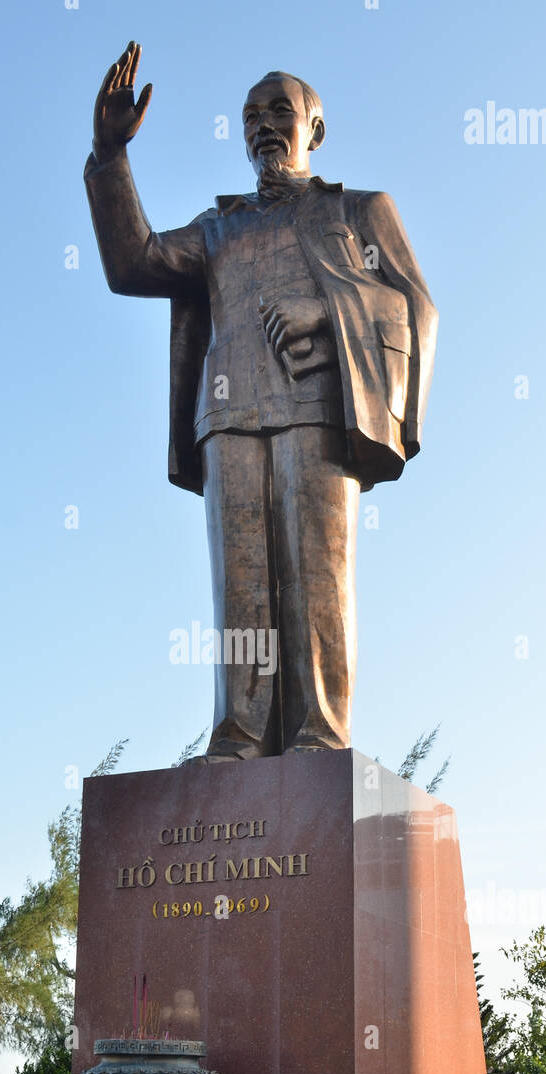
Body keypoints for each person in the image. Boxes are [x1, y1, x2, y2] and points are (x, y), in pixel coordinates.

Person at [85, 43, 437, 758]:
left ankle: (318, 736)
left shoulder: (360, 210)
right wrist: (108, 156)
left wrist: (324, 310)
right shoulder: (218, 227)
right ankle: (239, 735)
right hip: (227, 415)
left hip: (316, 407)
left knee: (317, 578)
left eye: (280, 109)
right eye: (250, 115)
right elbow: (134, 263)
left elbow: (413, 306)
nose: (263, 125)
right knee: (240, 589)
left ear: (316, 128)